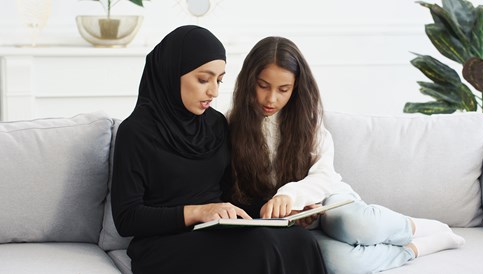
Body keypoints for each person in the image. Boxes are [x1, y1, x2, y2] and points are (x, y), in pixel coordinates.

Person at [227, 36, 466, 273]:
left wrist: (290, 196)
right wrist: (285, 212)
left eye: (283, 89)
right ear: (249, 81)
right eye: (263, 85)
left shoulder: (307, 122)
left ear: (296, 87)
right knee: (339, 265)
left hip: (328, 201)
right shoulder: (231, 124)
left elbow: (324, 176)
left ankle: (419, 227)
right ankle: (417, 247)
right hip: (295, 224)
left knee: (355, 224)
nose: (271, 98)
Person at [110, 26, 328, 274]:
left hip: (215, 231)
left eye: (219, 80)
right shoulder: (135, 133)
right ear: (172, 72)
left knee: (302, 241)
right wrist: (199, 212)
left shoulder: (216, 124)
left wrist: (281, 214)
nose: (213, 91)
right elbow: (127, 219)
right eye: (204, 79)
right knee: (260, 246)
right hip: (162, 243)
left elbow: (230, 197)